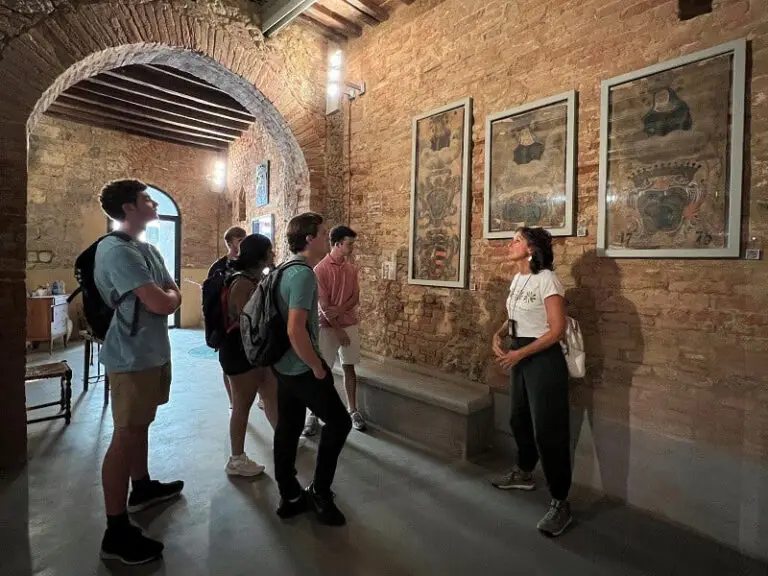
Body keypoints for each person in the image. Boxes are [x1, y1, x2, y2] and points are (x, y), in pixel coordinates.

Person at [95, 180, 184, 565]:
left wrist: (169, 296)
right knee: (126, 433)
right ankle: (115, 531)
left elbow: (170, 291)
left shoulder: (145, 248)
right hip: (130, 357)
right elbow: (163, 302)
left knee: (141, 425)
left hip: (152, 353)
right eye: (147, 199)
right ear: (129, 208)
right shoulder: (114, 250)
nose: (153, 202)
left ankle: (142, 486)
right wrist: (169, 297)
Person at [490, 226, 572, 537]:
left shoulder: (547, 280)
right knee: (518, 418)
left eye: (516, 240)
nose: (510, 244)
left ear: (532, 249)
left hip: (542, 360)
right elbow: (515, 313)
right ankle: (525, 471)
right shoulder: (519, 278)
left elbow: (556, 330)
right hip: (521, 355)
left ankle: (561, 501)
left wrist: (520, 353)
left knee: (548, 430)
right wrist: (499, 335)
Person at [272, 212, 352, 526]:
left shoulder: (285, 268)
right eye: (322, 233)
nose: (325, 238)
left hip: (283, 365)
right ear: (309, 238)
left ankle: (290, 494)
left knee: (288, 427)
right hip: (301, 366)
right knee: (340, 422)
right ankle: (320, 491)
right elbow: (295, 330)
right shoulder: (304, 274)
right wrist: (317, 366)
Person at [217, 234, 279, 477]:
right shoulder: (242, 282)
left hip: (256, 351)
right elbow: (247, 321)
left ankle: (282, 439)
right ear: (260, 255)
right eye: (270, 251)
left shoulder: (253, 278)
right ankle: (236, 459)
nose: (273, 254)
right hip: (240, 352)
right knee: (242, 404)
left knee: (271, 395)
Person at [305, 225, 366, 434]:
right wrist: (338, 328)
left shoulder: (351, 268)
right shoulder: (319, 269)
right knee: (322, 371)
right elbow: (323, 306)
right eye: (349, 244)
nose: (352, 248)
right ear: (338, 244)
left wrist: (340, 310)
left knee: (350, 367)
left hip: (348, 323)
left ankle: (353, 410)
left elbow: (355, 297)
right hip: (328, 327)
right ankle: (313, 414)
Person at [208, 226, 247, 409]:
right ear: (230, 242)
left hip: (247, 324)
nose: (243, 243)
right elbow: (211, 298)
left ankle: (261, 398)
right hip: (226, 324)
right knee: (227, 364)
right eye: (239, 240)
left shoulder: (249, 263)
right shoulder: (218, 268)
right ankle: (233, 402)